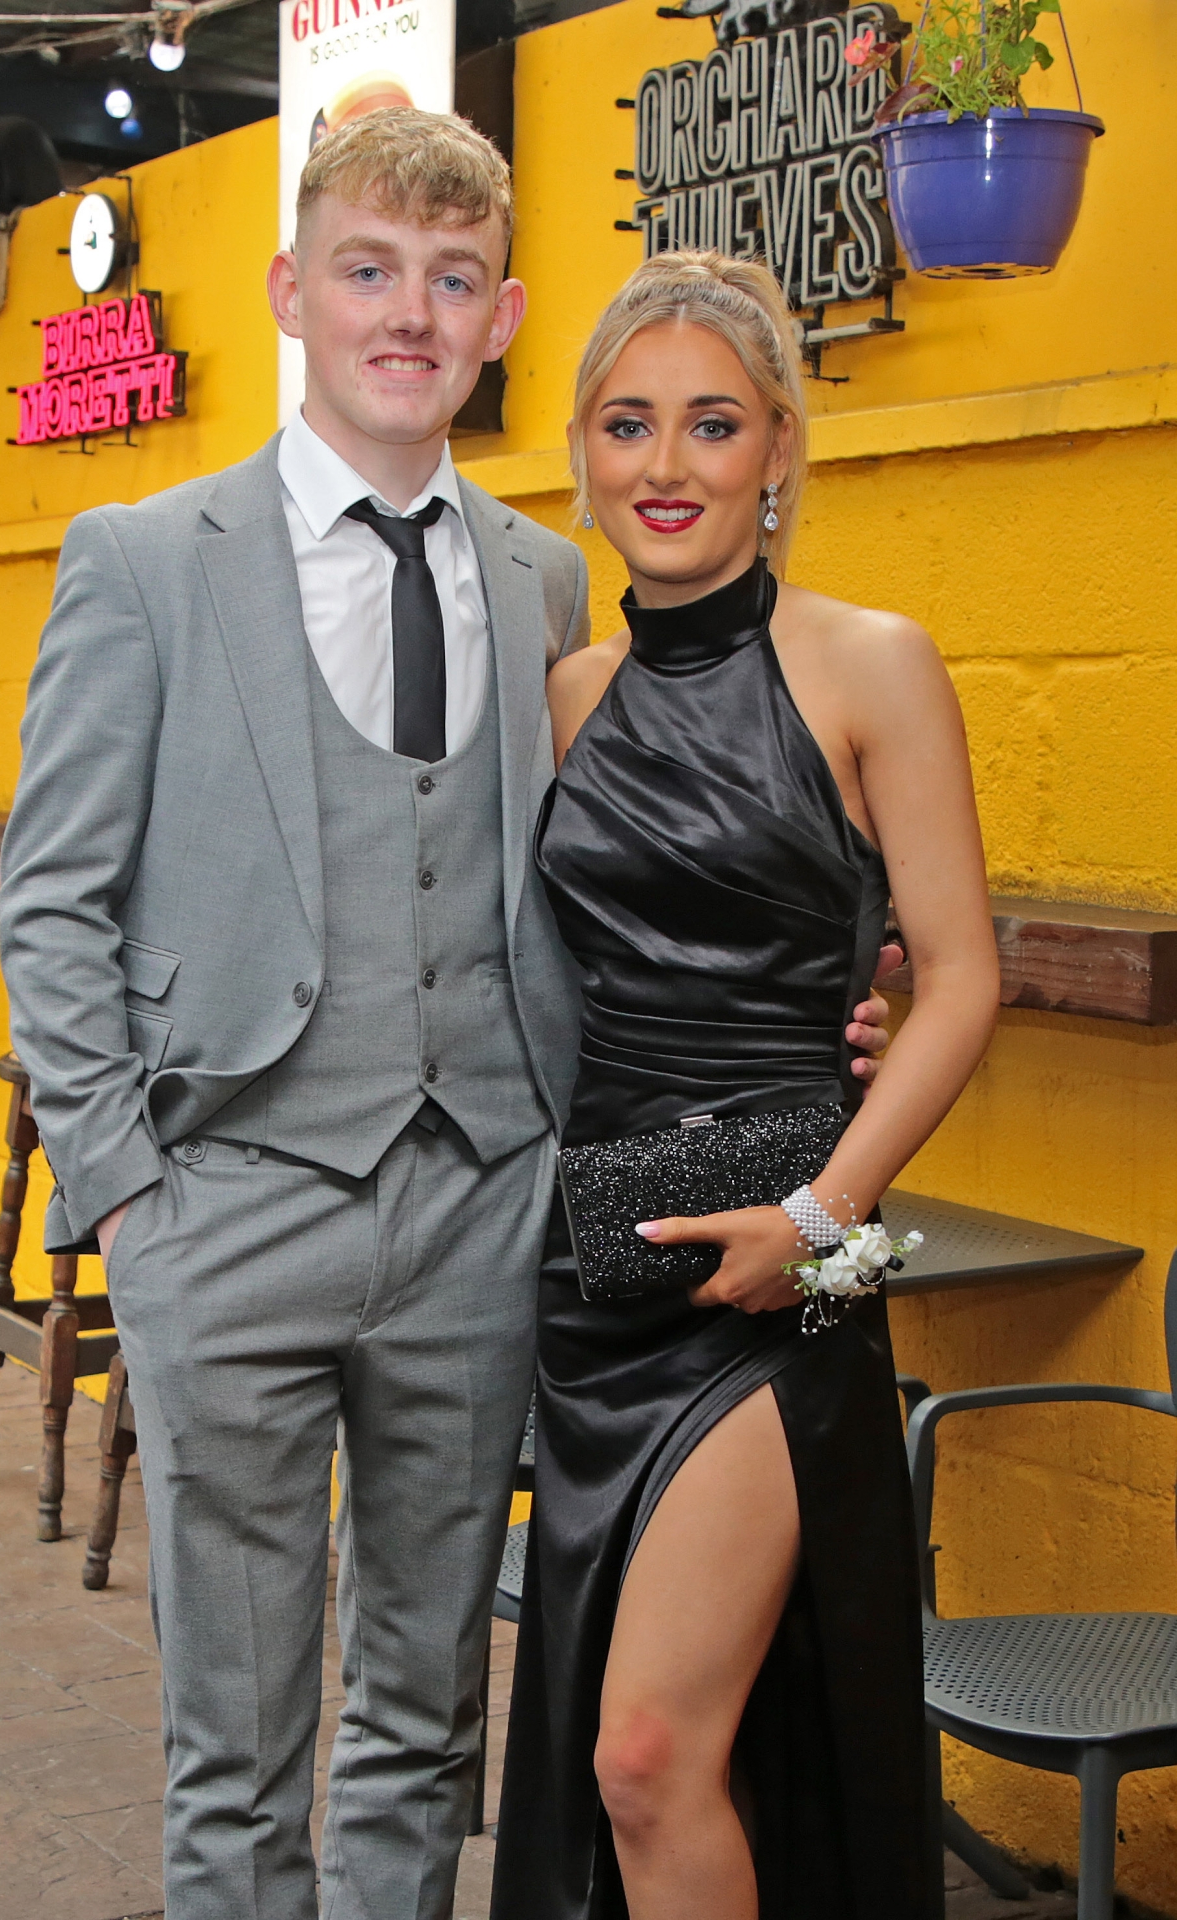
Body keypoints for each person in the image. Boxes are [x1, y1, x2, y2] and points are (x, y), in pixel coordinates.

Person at [0, 116, 893, 1919]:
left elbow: (642, 870)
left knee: (425, 1727)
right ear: (292, 293)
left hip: (488, 1217)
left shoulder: (541, 579)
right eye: (369, 270)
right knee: (237, 1753)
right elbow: (52, 904)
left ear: (499, 318)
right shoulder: (145, 558)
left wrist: (839, 1002)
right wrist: (133, 1209)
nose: (409, 314)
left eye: (452, 278)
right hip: (227, 1213)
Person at [490, 252, 1001, 1920]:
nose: (665, 464)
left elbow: (961, 982)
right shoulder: (566, 696)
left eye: (711, 424)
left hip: (797, 1261)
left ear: (777, 447)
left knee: (646, 1753)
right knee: (634, 1760)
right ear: (582, 450)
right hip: (600, 1275)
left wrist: (824, 1220)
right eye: (626, 423)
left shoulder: (873, 662)